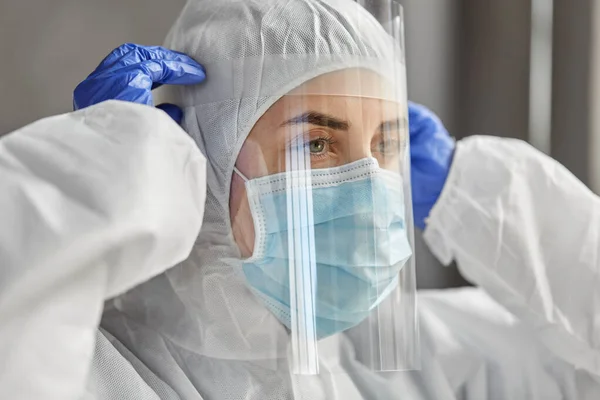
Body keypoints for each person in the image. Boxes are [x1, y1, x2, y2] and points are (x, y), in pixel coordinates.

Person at [1, 1, 600, 399]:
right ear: (201, 157)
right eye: (316, 142)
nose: (369, 187)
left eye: (386, 144)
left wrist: (473, 191)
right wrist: (110, 165)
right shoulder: (97, 374)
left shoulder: (415, 373)